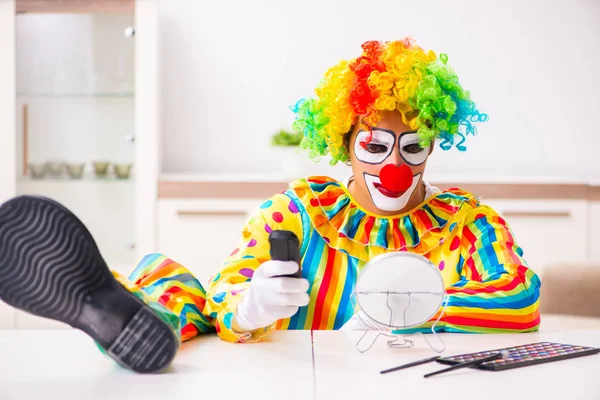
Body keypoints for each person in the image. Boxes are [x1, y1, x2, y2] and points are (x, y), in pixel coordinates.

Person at [0, 39, 540, 373]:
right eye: (374, 146)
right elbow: (224, 294)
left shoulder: (466, 223)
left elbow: (519, 298)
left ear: (434, 145)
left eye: (413, 147)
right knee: (176, 282)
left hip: (401, 384)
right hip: (281, 379)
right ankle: (124, 316)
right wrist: (250, 306)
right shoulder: (299, 211)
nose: (393, 165)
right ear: (345, 145)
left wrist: (411, 315)